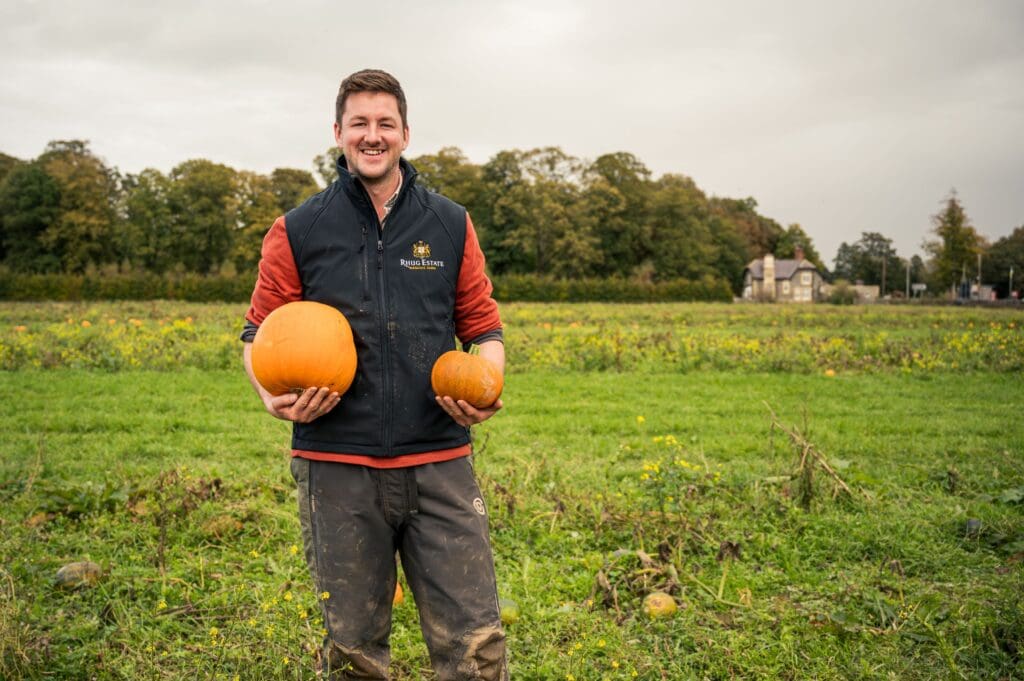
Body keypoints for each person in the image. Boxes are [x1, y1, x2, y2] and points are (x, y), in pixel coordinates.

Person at [241, 69, 508, 680]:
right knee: (354, 651)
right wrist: (268, 396)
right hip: (337, 464)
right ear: (338, 133)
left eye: (385, 123)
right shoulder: (298, 229)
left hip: (438, 457)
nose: (372, 135)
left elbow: (483, 327)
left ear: (405, 134)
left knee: (475, 642)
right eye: (359, 123)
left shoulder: (449, 223)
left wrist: (486, 385)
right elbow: (257, 333)